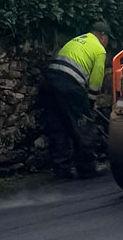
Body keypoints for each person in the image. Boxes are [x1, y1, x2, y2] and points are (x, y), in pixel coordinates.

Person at [38, 23, 110, 179]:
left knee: (58, 125)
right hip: (68, 85)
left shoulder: (78, 40)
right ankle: (87, 167)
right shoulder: (99, 49)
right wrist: (91, 99)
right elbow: (97, 77)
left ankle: (61, 168)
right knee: (83, 125)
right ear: (103, 37)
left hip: (49, 81)